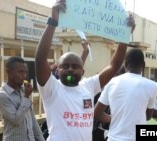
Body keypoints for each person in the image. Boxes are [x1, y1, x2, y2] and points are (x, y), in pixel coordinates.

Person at [35, 1, 135, 141]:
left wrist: (124, 36)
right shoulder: (51, 89)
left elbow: (114, 66)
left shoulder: (88, 86)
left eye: (75, 67)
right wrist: (53, 21)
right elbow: (40, 60)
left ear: (82, 72)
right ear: (58, 69)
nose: (70, 69)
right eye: (66, 66)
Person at [94, 48, 157, 141]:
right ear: (144, 65)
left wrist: (114, 118)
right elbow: (148, 116)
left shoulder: (112, 82)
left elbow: (97, 112)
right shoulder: (153, 86)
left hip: (113, 138)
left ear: (125, 64)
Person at [0, 56, 45, 141]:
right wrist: (26, 97)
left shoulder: (23, 91)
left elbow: (33, 120)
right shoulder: (2, 95)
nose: (24, 76)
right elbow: (16, 120)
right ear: (9, 72)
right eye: (20, 72)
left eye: (26, 72)